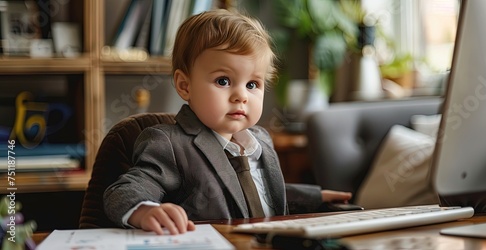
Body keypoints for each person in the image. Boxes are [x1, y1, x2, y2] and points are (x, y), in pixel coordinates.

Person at [103, 9, 352, 236]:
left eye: (253, 84)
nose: (241, 96)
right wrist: (144, 210)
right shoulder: (168, 143)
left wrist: (315, 197)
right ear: (184, 85)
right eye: (223, 81)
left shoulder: (262, 140)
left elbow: (258, 190)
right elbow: (125, 190)